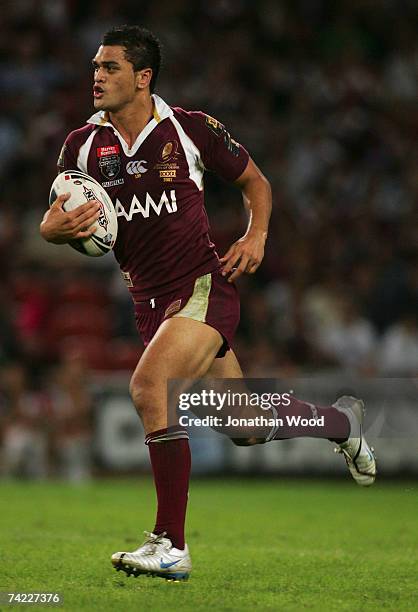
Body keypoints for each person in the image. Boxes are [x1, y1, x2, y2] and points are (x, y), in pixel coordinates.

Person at [40, 25, 376, 582]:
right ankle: (343, 422)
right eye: (95, 67)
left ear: (143, 77)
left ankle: (170, 543)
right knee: (242, 423)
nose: (96, 76)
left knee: (149, 388)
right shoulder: (80, 144)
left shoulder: (190, 130)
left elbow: (256, 182)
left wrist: (256, 236)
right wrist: (53, 231)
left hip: (202, 288)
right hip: (149, 307)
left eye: (110, 68)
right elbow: (59, 218)